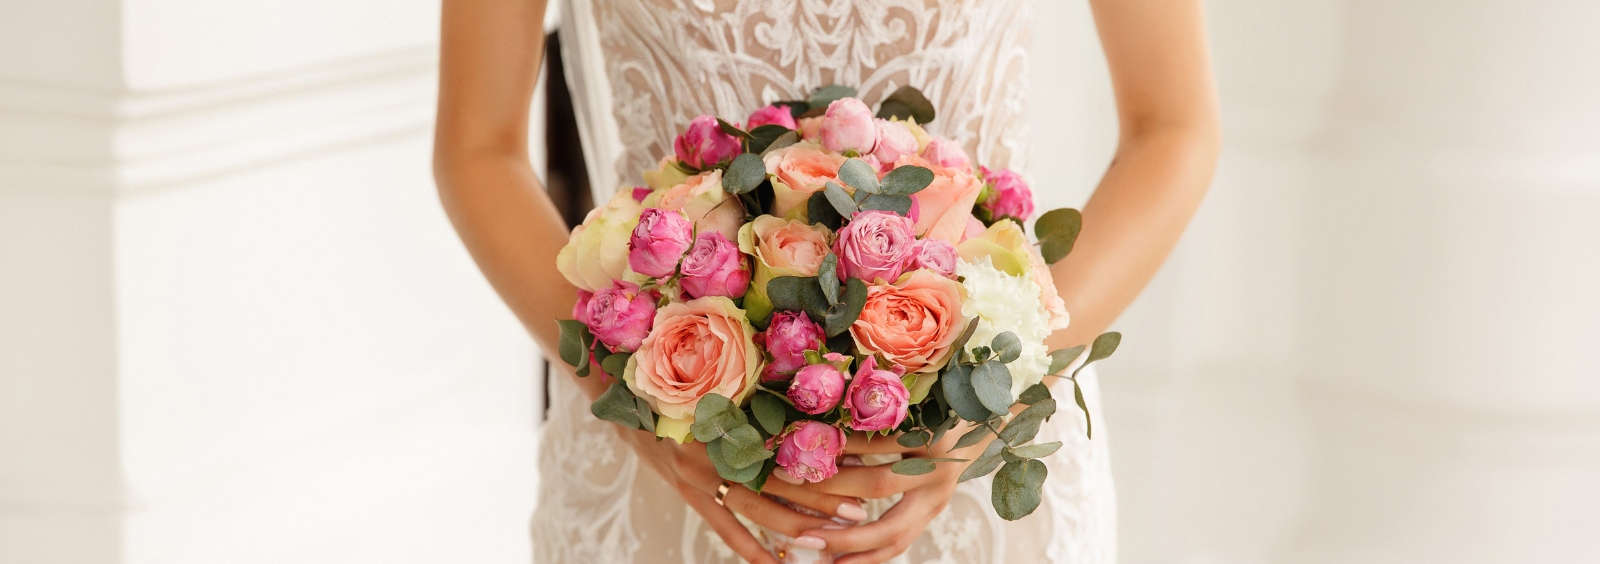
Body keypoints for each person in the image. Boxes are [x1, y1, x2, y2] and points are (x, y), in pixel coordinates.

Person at [433, 1, 1218, 562]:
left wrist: (991, 401)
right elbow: (477, 147)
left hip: (981, 470)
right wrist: (642, 412)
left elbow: (1173, 126)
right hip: (670, 459)